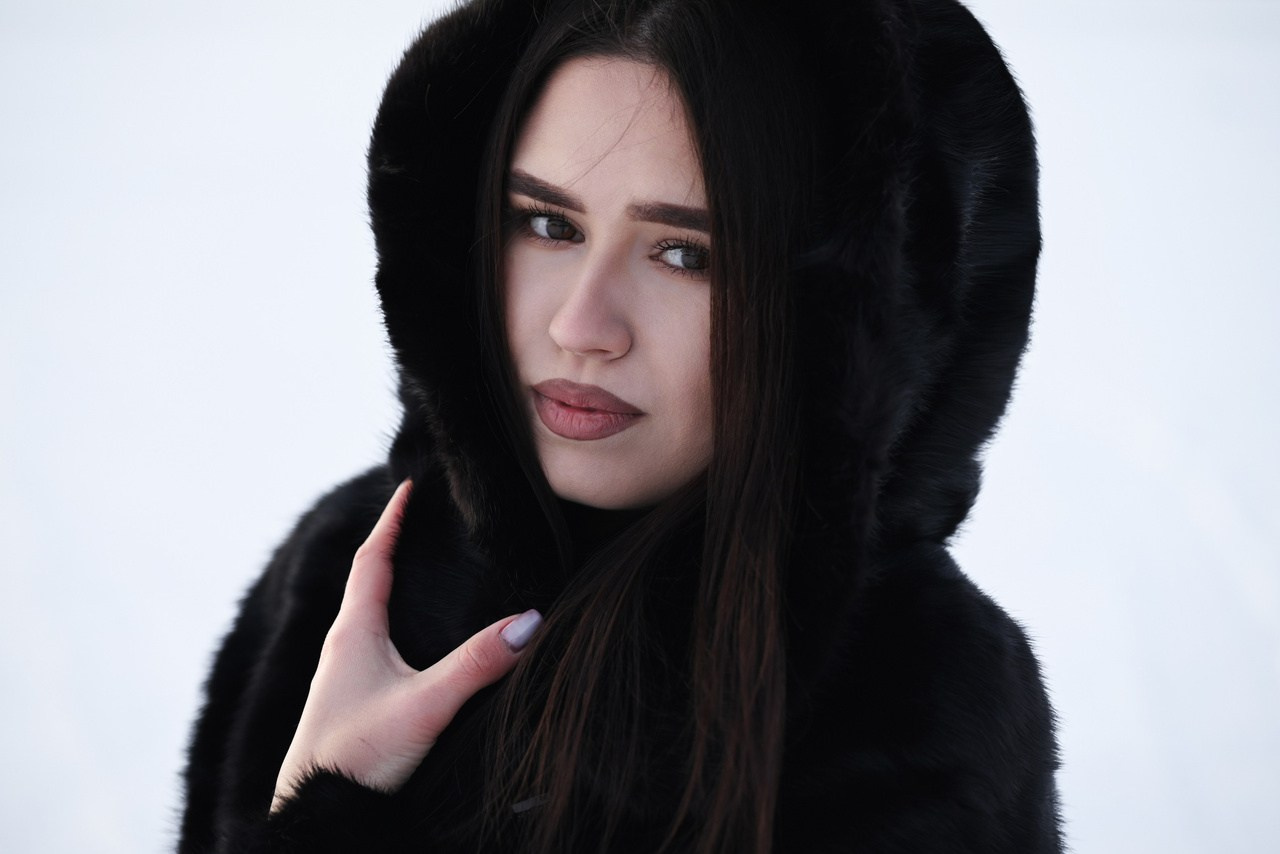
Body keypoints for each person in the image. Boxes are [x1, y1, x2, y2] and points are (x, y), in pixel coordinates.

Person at [178, 0, 1063, 851]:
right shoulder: (352, 577)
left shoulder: (917, 705)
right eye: (547, 223)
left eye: (686, 254)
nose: (582, 326)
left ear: (849, 317)